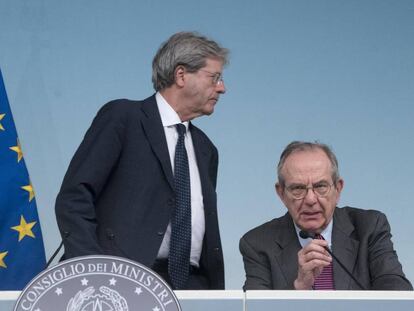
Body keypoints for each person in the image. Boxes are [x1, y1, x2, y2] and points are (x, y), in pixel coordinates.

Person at [55, 32, 229, 290]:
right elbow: (74, 198)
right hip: (121, 280)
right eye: (214, 77)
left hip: (192, 287)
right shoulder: (123, 118)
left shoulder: (206, 149)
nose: (222, 88)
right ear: (181, 75)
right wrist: (92, 270)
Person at [240, 141, 412, 290]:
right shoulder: (258, 243)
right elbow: (256, 306)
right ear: (281, 193)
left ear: (338, 189)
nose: (310, 199)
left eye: (320, 186)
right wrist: (299, 288)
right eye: (298, 188)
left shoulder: (369, 227)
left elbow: (395, 290)